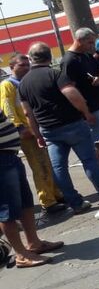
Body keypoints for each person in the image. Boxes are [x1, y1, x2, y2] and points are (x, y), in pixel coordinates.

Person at [18, 42, 99, 213]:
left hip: (49, 131)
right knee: (89, 160)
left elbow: (27, 113)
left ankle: (76, 204)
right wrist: (86, 112)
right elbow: (70, 92)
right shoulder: (55, 74)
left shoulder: (23, 84)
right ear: (50, 56)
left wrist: (37, 135)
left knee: (59, 167)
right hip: (73, 124)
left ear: (31, 58)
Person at [0, 53, 65, 215]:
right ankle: (47, 201)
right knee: (39, 166)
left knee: (48, 163)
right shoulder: (8, 85)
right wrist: (19, 128)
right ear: (12, 67)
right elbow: (7, 109)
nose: (26, 67)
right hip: (26, 133)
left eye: (27, 64)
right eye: (21, 65)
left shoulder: (25, 83)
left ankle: (56, 194)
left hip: (37, 129)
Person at [0, 108, 64, 268]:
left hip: (10, 155)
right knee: (7, 211)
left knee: (26, 203)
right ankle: (21, 254)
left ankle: (34, 243)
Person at [60, 27, 99, 179]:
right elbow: (69, 89)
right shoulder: (69, 61)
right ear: (80, 40)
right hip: (90, 108)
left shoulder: (88, 56)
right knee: (96, 145)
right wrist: (84, 112)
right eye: (90, 42)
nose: (92, 46)